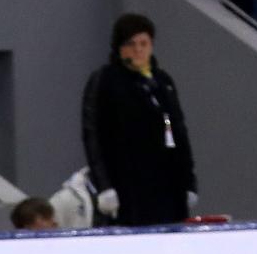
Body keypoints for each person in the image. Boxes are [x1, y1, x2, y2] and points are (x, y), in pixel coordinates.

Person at [82, 13, 198, 227]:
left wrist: (189, 181)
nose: (138, 50)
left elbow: (178, 131)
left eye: (144, 43)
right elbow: (93, 136)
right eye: (131, 44)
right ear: (119, 47)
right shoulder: (105, 80)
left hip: (167, 185)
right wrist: (104, 186)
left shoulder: (163, 81)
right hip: (126, 185)